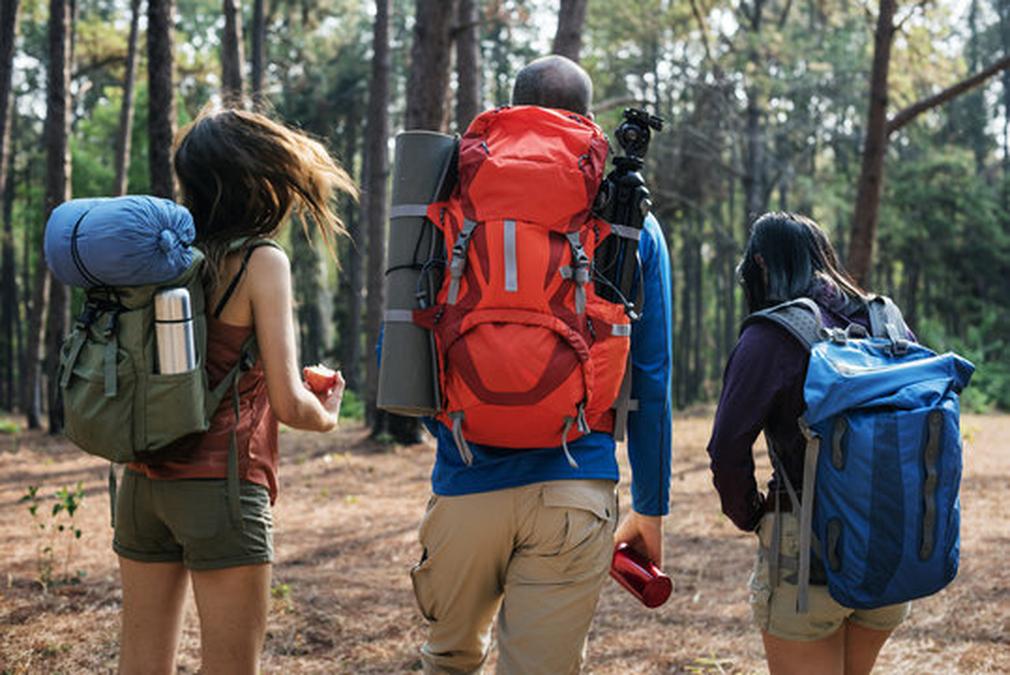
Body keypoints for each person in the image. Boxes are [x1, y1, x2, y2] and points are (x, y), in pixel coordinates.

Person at [409, 55, 673, 674]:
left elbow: (400, 344)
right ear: (586, 122)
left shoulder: (450, 203)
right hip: (576, 489)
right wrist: (651, 507)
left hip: (465, 481)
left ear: (512, 108)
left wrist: (459, 428)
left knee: (449, 661)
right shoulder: (630, 222)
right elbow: (652, 377)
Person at [113, 108, 354, 675]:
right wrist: (329, 414)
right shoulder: (260, 261)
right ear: (257, 180)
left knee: (140, 664)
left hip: (142, 482)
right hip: (221, 488)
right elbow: (292, 404)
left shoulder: (158, 255)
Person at [706, 212, 911, 675]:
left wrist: (751, 514)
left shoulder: (771, 335)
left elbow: (727, 449)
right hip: (891, 542)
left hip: (807, 547)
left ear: (760, 263)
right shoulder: (887, 320)